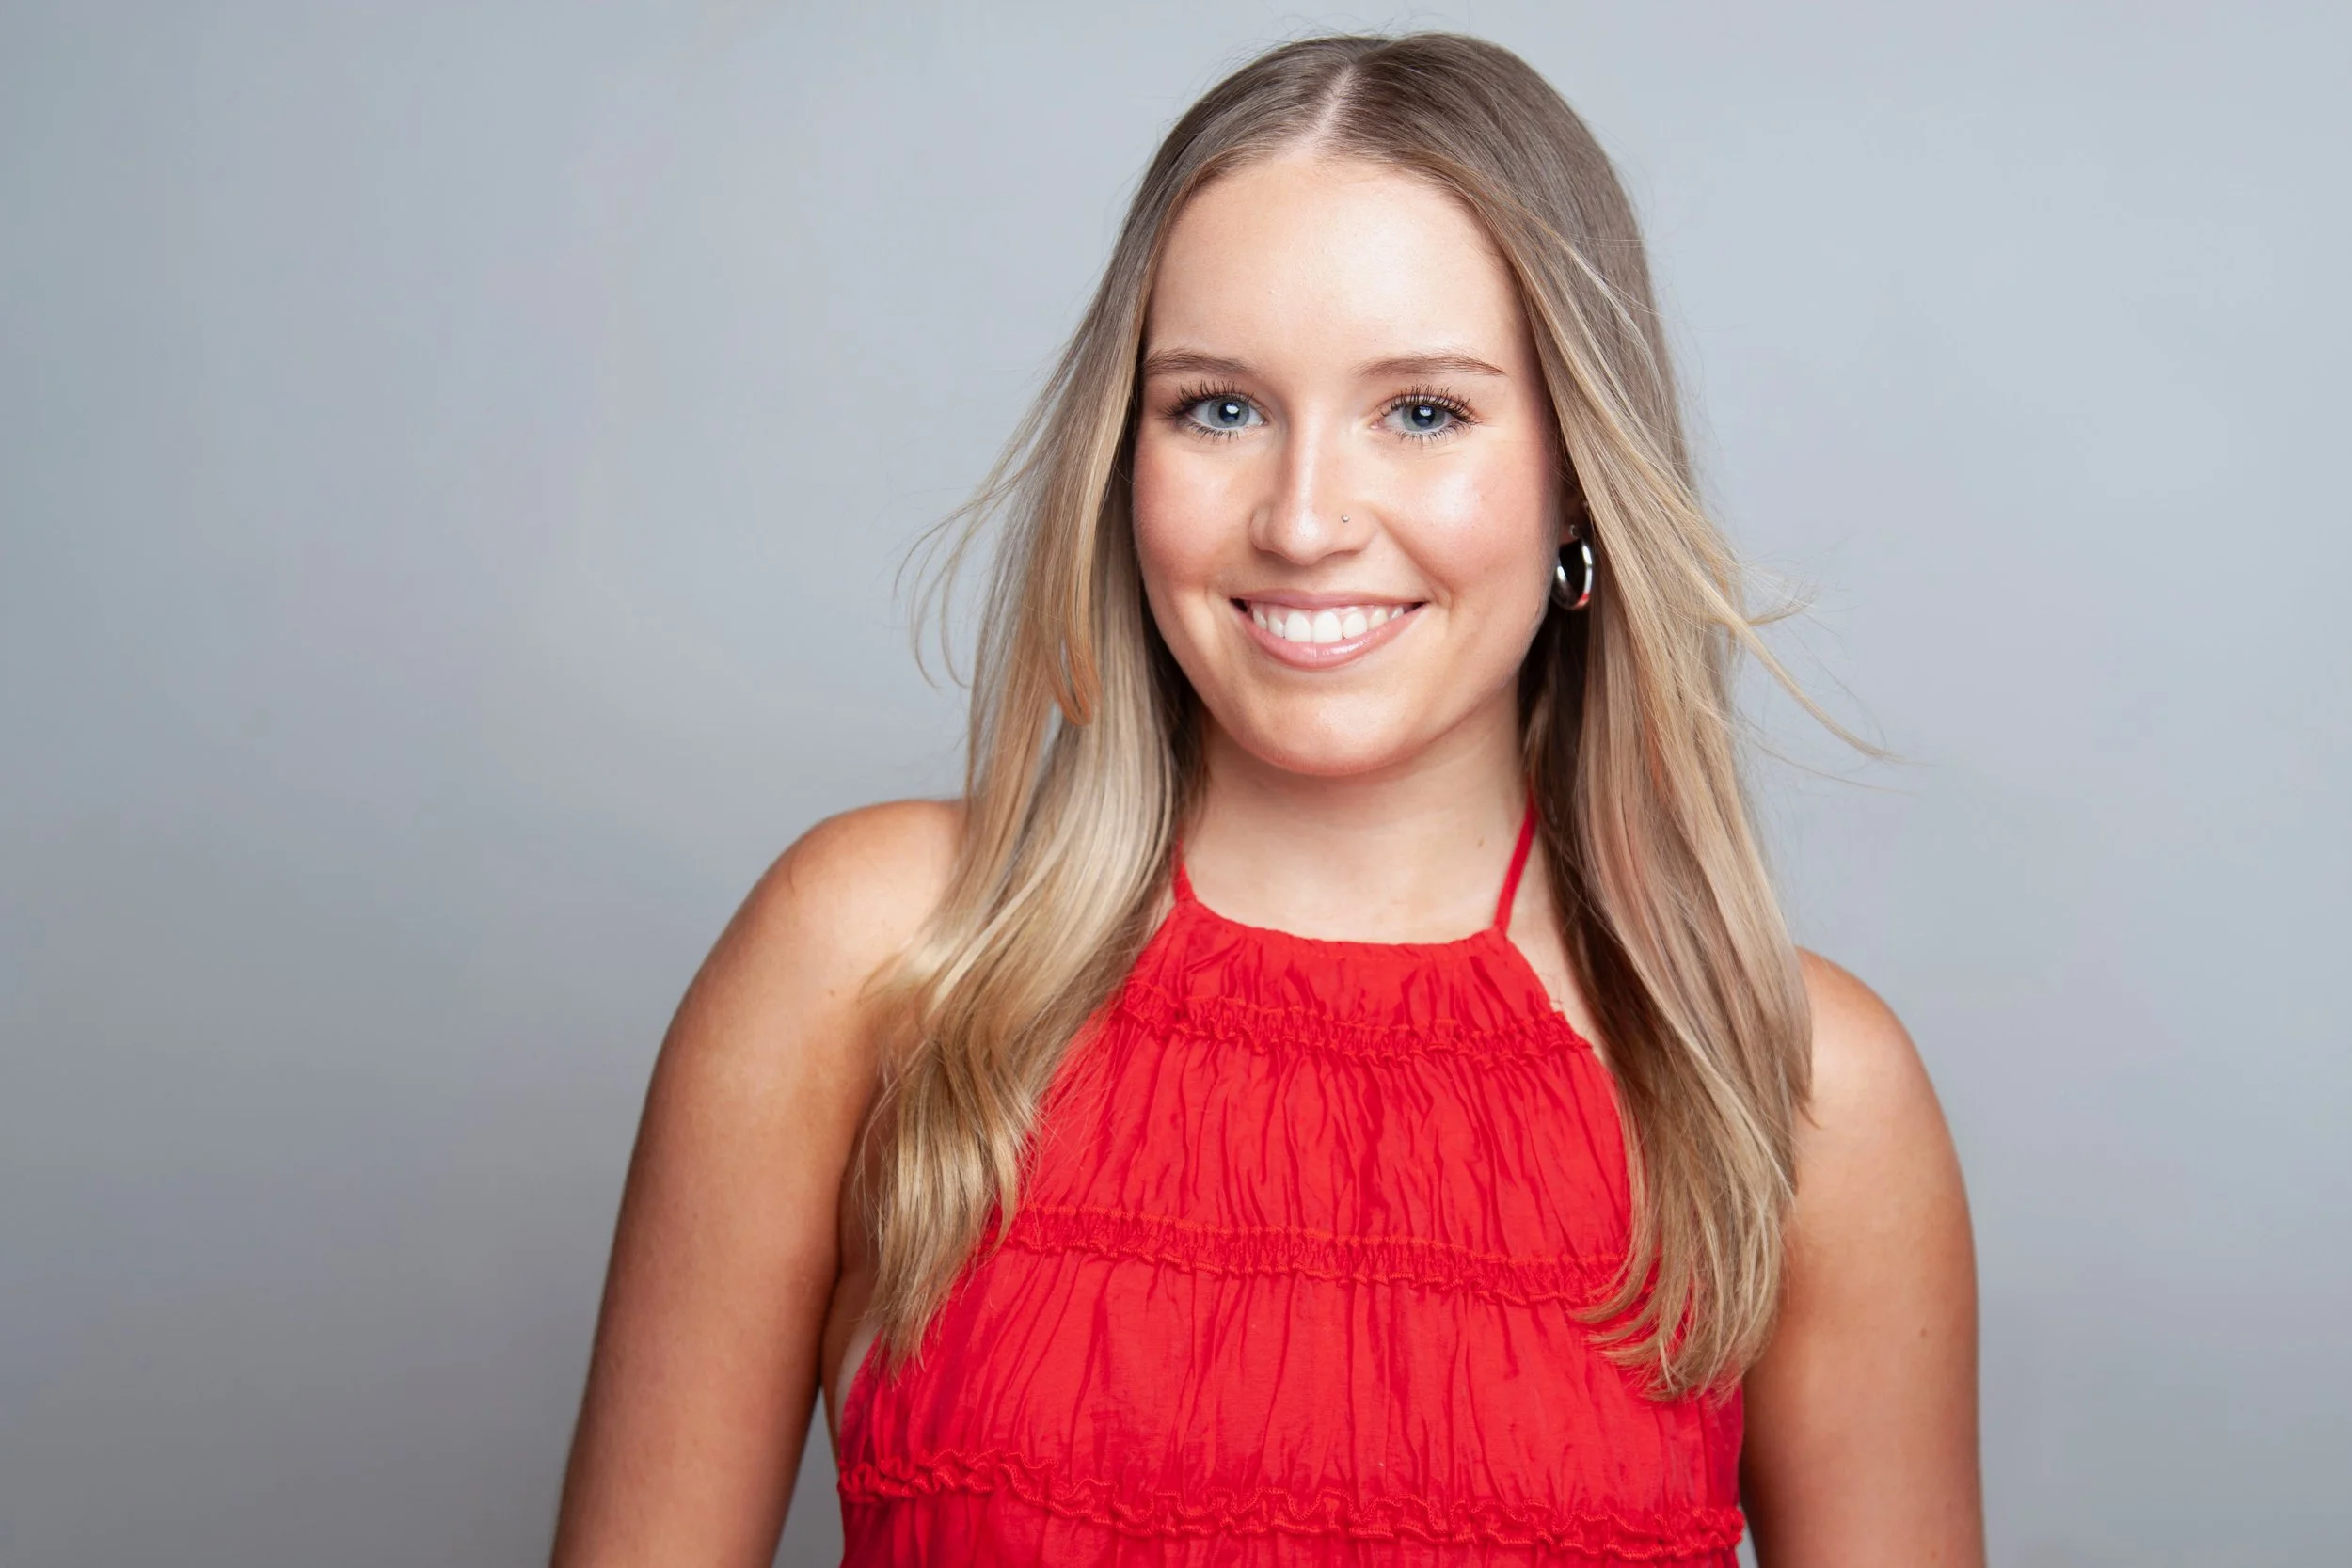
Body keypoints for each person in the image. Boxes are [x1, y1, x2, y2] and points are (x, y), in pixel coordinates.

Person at [548, 31, 1981, 1568]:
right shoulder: (870, 958)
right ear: (1126, 452)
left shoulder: (1799, 1090)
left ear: (1578, 477)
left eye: (1423, 411)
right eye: (1219, 408)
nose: (1304, 520)